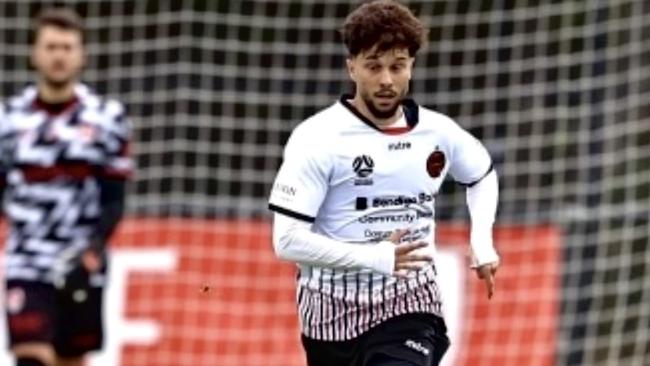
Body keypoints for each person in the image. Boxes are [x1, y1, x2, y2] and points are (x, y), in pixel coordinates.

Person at [268, 1, 499, 365]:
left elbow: (482, 175)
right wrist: (376, 257)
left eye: (397, 66)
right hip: (329, 316)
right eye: (374, 67)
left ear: (411, 67)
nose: (387, 80)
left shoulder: (438, 132)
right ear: (352, 68)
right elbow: (287, 241)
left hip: (410, 306)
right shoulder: (317, 137)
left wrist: (482, 241)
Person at [0, 8, 132, 366]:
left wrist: (90, 253)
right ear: (35, 53)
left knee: (69, 361)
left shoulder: (107, 118)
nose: (59, 55)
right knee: (31, 358)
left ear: (82, 55)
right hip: (26, 262)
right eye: (51, 46)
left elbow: (114, 200)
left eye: (67, 47)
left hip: (80, 262)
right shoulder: (9, 119)